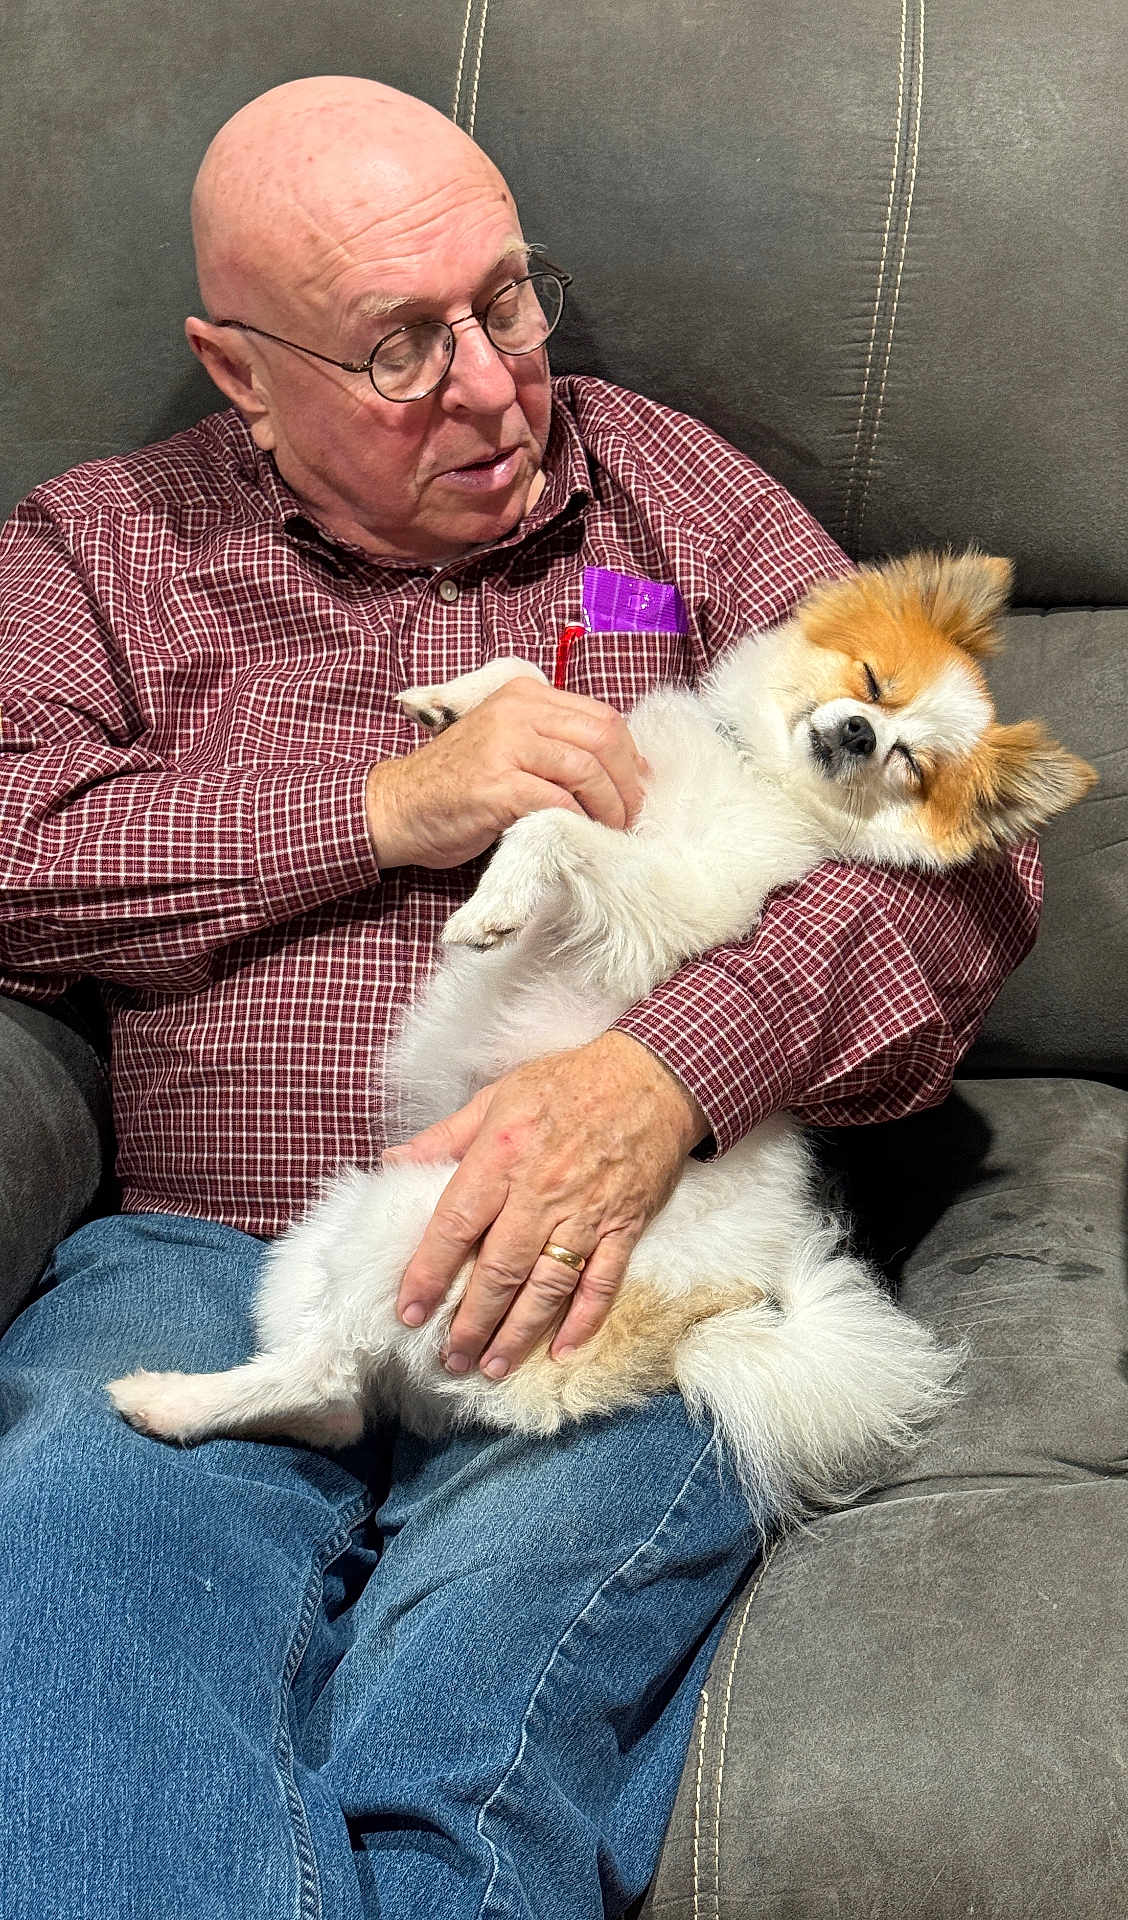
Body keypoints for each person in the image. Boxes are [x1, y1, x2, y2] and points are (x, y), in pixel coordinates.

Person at [0, 76, 1039, 1920]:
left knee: (472, 1729)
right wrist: (378, 808)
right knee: (88, 1577)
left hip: (620, 1259)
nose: (492, 386)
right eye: (401, 346)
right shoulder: (100, 546)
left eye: (506, 298)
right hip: (214, 1247)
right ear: (240, 374)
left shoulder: (672, 496)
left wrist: (662, 1077)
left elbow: (971, 865)